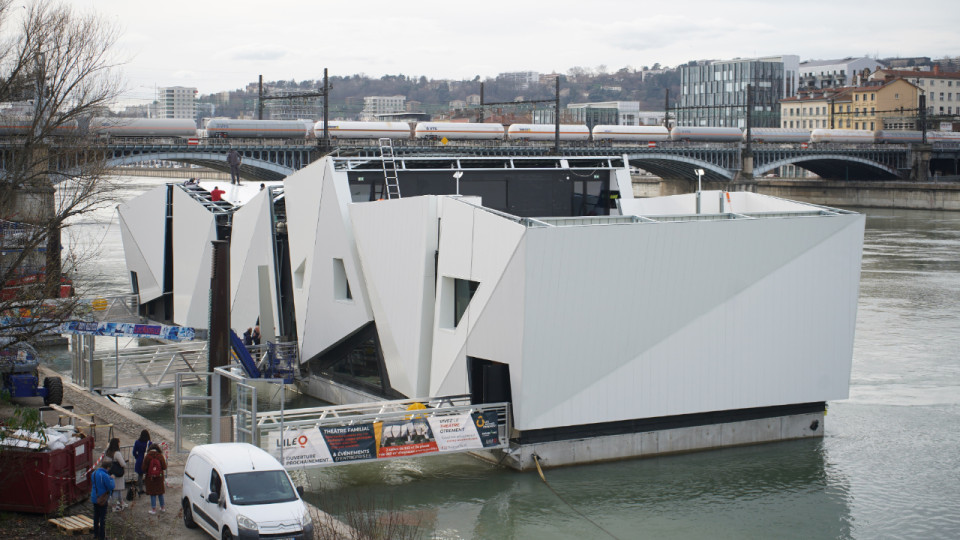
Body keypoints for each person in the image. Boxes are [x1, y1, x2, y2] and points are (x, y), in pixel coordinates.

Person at [90, 460, 114, 540]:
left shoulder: (94, 473)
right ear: (107, 468)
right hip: (102, 499)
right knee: (103, 518)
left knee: (96, 517)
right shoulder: (104, 475)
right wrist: (112, 479)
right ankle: (102, 536)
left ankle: (95, 534)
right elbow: (111, 487)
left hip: (94, 497)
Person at [142, 443, 167, 514]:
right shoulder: (160, 456)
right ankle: (162, 508)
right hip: (159, 477)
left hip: (150, 478)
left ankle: (153, 509)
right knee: (160, 492)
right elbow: (164, 467)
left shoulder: (148, 456)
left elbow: (144, 468)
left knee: (152, 493)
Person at [104, 438, 127, 511]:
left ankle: (121, 502)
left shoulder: (108, 452)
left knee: (117, 490)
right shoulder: (117, 453)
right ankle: (114, 506)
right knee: (116, 491)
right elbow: (123, 464)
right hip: (118, 474)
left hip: (111, 473)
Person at [132, 429, 151, 495]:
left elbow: (134, 452)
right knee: (148, 475)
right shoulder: (149, 443)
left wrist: (137, 457)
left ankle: (141, 489)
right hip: (147, 460)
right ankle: (148, 488)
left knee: (140, 475)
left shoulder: (137, 442)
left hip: (139, 460)